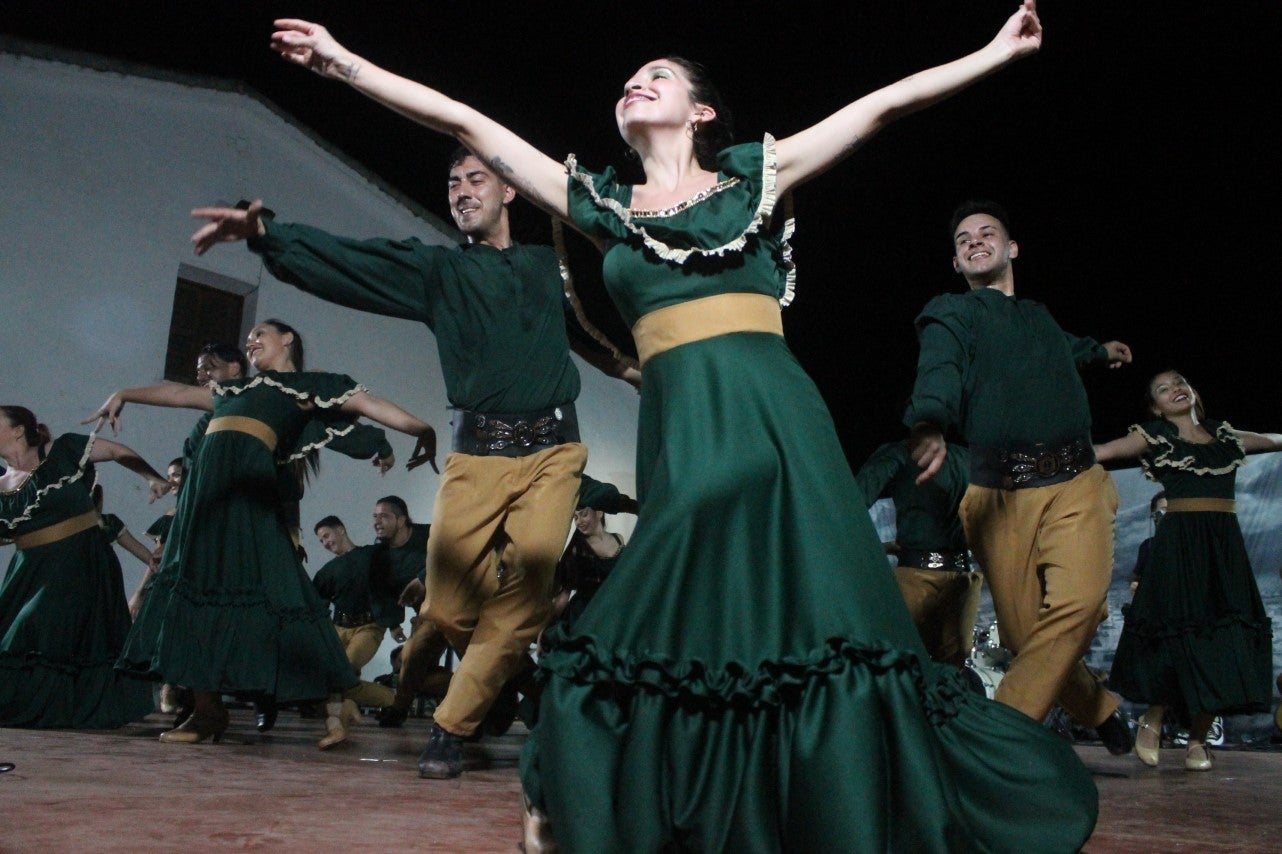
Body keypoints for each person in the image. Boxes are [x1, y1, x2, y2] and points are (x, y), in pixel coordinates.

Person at [243, 3, 1114, 850]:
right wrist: (342, 63)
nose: (633, 83)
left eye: (655, 77)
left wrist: (996, 54)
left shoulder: (754, 178)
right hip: (684, 418)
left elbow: (883, 104)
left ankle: (819, 794)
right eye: (628, 78)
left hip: (775, 414)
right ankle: (621, 794)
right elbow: (470, 121)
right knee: (688, 605)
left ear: (699, 111)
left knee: (810, 610)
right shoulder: (603, 204)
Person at [191, 148, 638, 780]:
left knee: (527, 587)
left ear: (510, 192)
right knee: (448, 609)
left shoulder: (547, 266)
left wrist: (639, 373)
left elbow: (587, 335)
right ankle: (506, 682)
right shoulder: (438, 273)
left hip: (553, 453)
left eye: (475, 179)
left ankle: (450, 726)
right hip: (476, 458)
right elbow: (356, 263)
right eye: (451, 181)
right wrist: (270, 236)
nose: (460, 190)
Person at [89, 319, 437, 748]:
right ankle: (207, 709)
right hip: (204, 499)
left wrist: (421, 428)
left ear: (288, 338)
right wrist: (124, 393)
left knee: (272, 595)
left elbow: (368, 404)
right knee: (193, 591)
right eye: (248, 338)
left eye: (260, 334)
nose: (250, 341)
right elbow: (178, 394)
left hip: (249, 497)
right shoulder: (234, 391)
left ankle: (322, 695)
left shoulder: (308, 386)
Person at [905, 199, 1136, 760]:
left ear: (1012, 248)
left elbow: (1066, 350)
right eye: (963, 240)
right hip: (997, 499)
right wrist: (930, 420)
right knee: (1025, 636)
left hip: (1074, 481)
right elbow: (939, 366)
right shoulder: (952, 314)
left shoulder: (1039, 317)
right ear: (957, 263)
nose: (974, 241)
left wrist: (1101, 351)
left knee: (1076, 606)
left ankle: (999, 745)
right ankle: (1097, 706)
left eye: (987, 233)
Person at [1095, 370, 1280, 771]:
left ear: (1193, 391)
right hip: (1178, 546)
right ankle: (1154, 717)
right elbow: (1104, 450)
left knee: (1223, 637)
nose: (1175, 389)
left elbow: (1273, 439)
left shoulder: (1225, 436)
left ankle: (1199, 738)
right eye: (1163, 388)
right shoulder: (1153, 435)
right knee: (1174, 632)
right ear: (1155, 406)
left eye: (1180, 382)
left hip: (1223, 547)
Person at [1, 405, 166, 728]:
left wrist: (153, 478)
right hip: (30, 570)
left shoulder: (62, 452)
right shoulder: (3, 485)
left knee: (36, 621)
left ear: (19, 429)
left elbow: (117, 451)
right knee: (28, 636)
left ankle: (46, 707)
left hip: (78, 560)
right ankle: (49, 710)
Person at [854, 440, 981, 668]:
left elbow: (853, 503)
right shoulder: (972, 458)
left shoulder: (902, 452)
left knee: (903, 666)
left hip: (920, 577)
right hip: (961, 579)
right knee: (951, 674)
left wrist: (874, 549)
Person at [1129, 490, 1167, 598]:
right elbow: (1136, 576)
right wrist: (1135, 585)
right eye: (1164, 510)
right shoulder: (1147, 546)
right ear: (1154, 516)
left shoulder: (1191, 544)